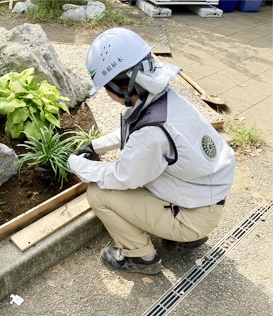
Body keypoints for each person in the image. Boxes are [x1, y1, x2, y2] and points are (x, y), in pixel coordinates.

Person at [67, 28, 236, 275]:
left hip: (193, 216)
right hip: (204, 197)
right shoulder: (164, 99)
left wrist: (74, 163)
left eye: (105, 86)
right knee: (144, 173)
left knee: (98, 193)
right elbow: (136, 134)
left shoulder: (153, 131)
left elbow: (123, 176)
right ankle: (185, 237)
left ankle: (139, 256)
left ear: (119, 86)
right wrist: (94, 146)